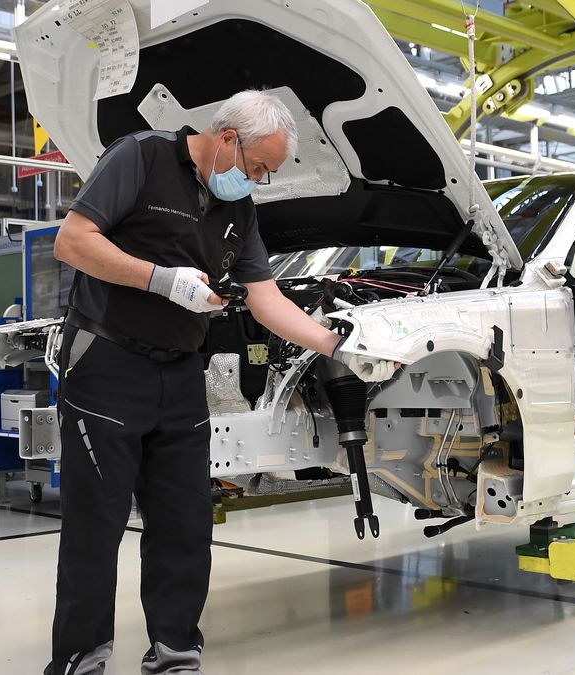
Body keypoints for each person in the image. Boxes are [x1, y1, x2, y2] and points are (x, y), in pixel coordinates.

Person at [47, 89, 394, 675]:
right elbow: (73, 242)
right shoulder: (140, 158)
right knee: (96, 522)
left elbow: (266, 299)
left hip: (181, 372)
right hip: (107, 363)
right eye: (259, 167)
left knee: (184, 519)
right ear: (227, 138)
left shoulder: (240, 209)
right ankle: (82, 656)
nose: (258, 181)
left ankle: (176, 650)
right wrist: (161, 280)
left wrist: (340, 345)